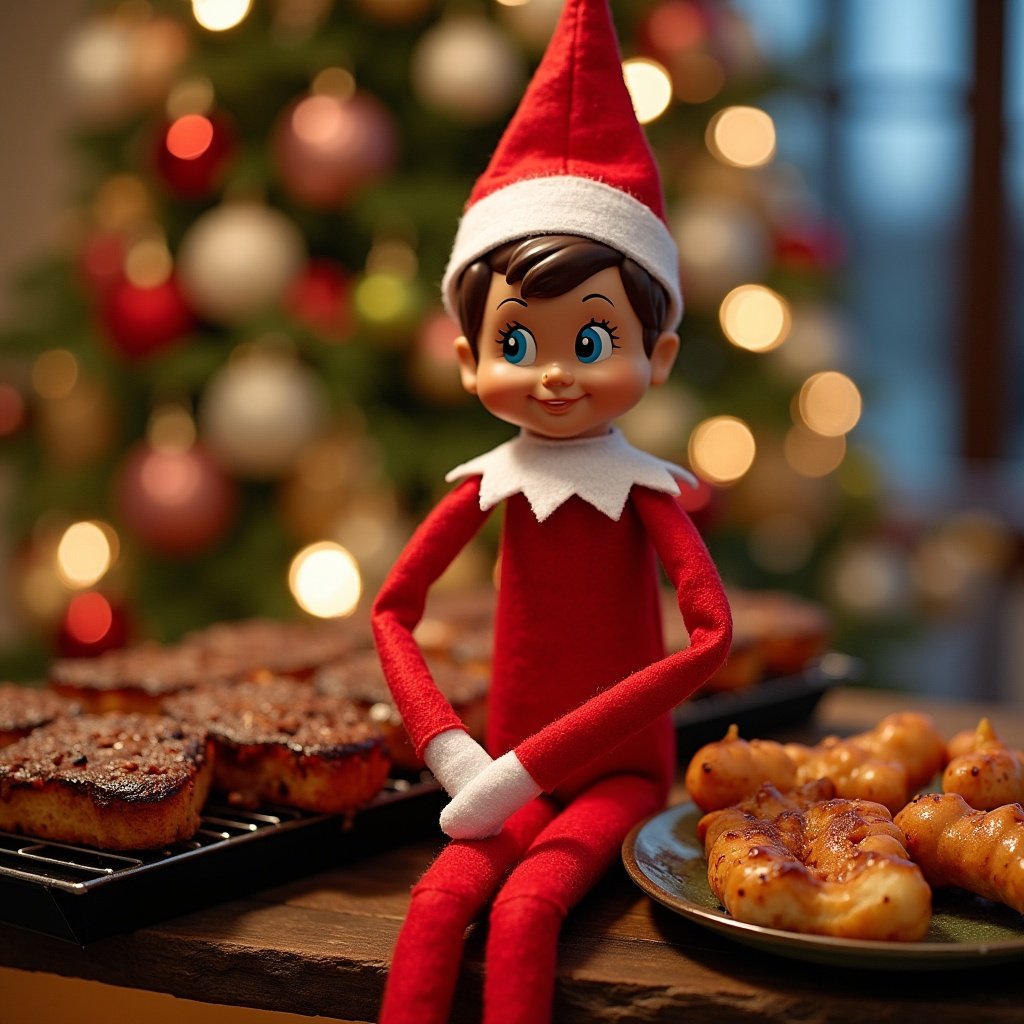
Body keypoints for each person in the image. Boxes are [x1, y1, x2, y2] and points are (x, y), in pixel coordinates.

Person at [371, 2, 732, 1021]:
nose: (555, 379)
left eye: (594, 340)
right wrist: (451, 748)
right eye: (517, 345)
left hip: (614, 773)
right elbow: (390, 611)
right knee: (436, 905)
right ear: (466, 357)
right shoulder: (490, 484)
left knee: (528, 912)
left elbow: (709, 637)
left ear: (656, 357)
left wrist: (529, 762)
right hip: (490, 770)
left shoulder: (646, 497)